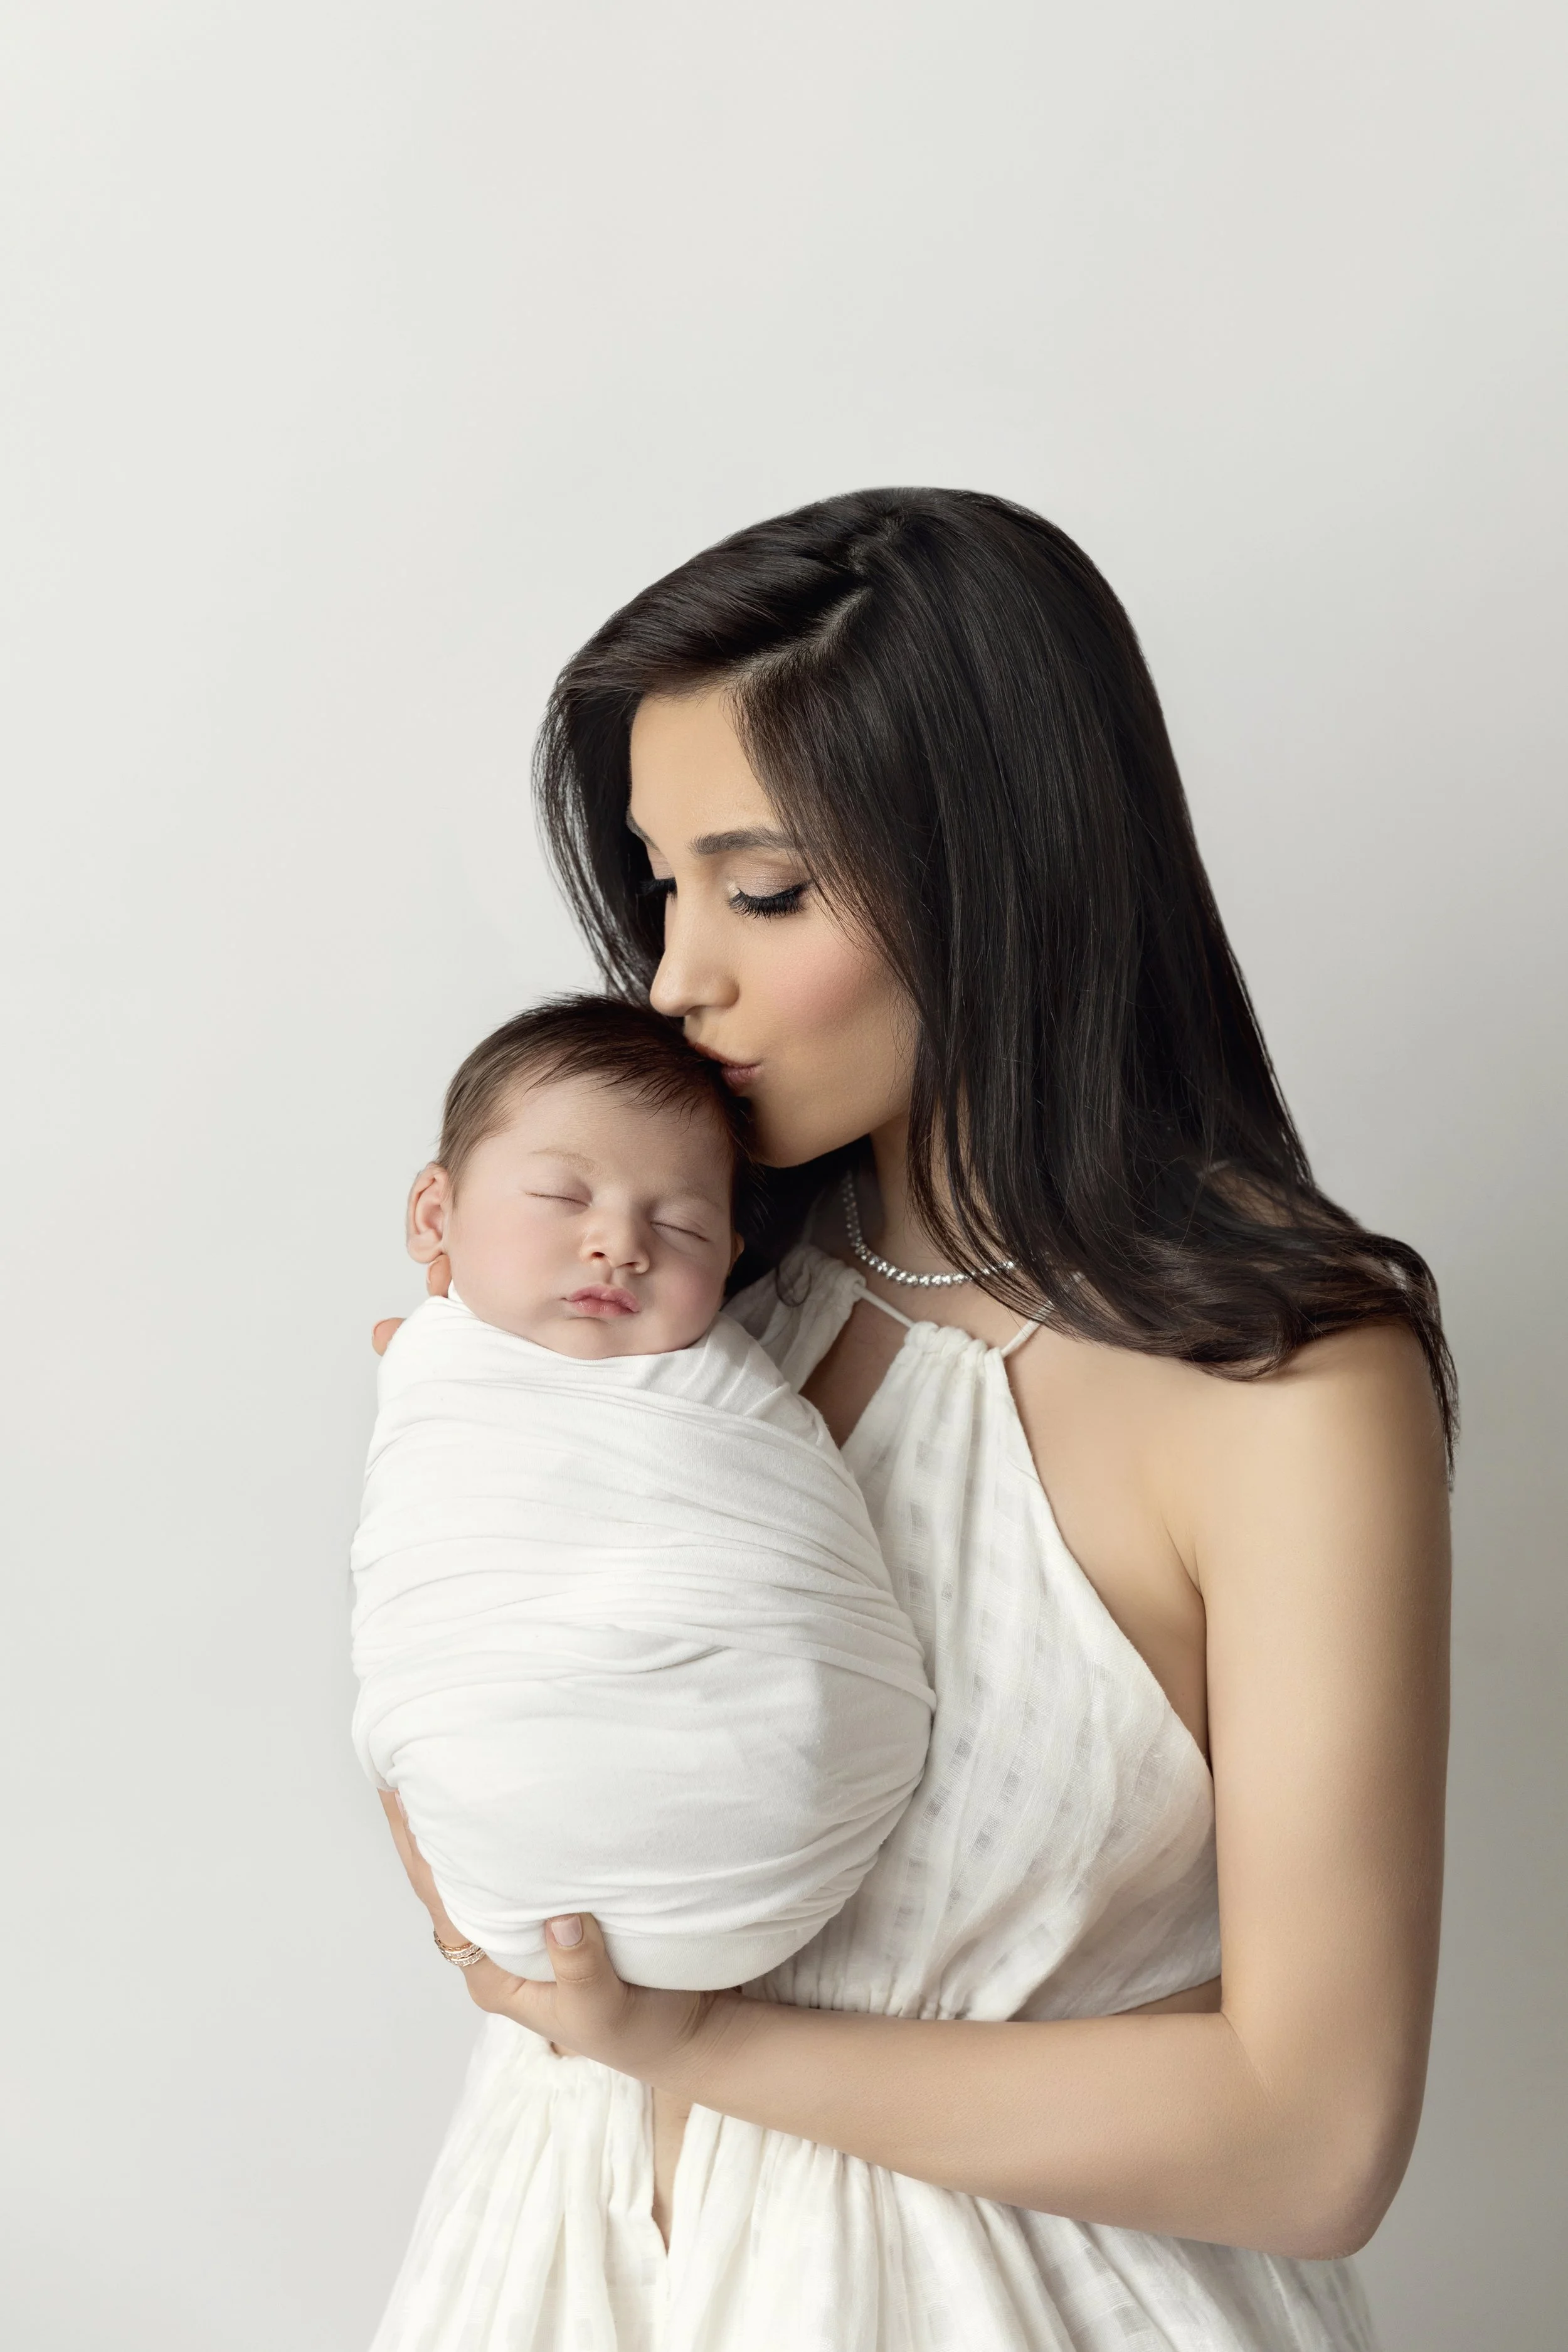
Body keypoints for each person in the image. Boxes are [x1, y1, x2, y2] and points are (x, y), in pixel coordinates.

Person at [369, 487, 1453, 2351]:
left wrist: (688, 2039)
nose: (676, 976)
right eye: (661, 882)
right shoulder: (685, 1280)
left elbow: (1312, 2135)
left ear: (1000, 874)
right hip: (553, 2261)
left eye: (761, 890)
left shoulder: (1277, 1384)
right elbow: (457, 1766)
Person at [351, 994, 931, 1993]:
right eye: (562, 1196)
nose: (621, 1242)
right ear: (435, 1216)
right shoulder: (437, 1378)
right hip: (511, 1835)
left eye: (680, 1224)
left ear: (732, 1263)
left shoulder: (735, 1392)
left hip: (774, 1852)